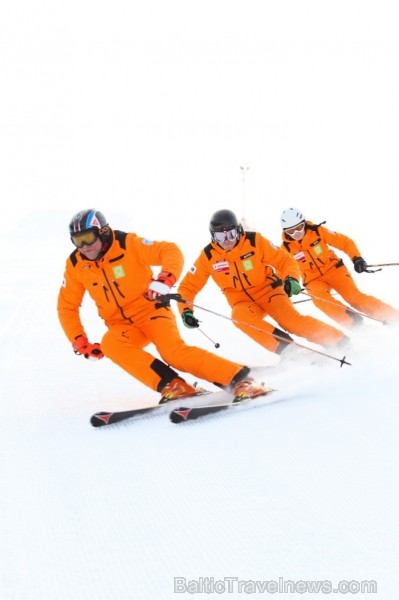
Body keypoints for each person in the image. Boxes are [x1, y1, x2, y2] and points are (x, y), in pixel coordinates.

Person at [57, 209, 268, 402]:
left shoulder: (127, 244)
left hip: (152, 312)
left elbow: (170, 250)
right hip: (122, 325)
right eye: (77, 240)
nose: (84, 246)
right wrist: (78, 339)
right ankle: (176, 386)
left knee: (173, 353)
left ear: (102, 232)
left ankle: (241, 380)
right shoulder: (76, 264)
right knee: (111, 344)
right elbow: (67, 305)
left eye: (88, 238)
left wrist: (164, 279)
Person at [176, 209, 348, 358]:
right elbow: (188, 287)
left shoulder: (255, 241)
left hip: (269, 292)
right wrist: (186, 311)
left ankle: (339, 341)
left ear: (239, 230)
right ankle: (289, 351)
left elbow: (285, 260)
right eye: (221, 236)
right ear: (213, 236)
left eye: (231, 233)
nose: (227, 239)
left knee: (290, 321)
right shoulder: (208, 256)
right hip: (243, 302)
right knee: (239, 317)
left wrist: (291, 278)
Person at [280, 207, 399, 329]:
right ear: (285, 232)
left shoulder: (318, 232)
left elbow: (345, 242)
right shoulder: (286, 248)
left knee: (354, 297)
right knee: (320, 300)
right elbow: (283, 268)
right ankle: (355, 324)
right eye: (291, 231)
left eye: (299, 228)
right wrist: (286, 284)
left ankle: (393, 317)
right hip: (313, 280)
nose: (296, 233)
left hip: (334, 270)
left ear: (304, 223)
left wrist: (356, 258)